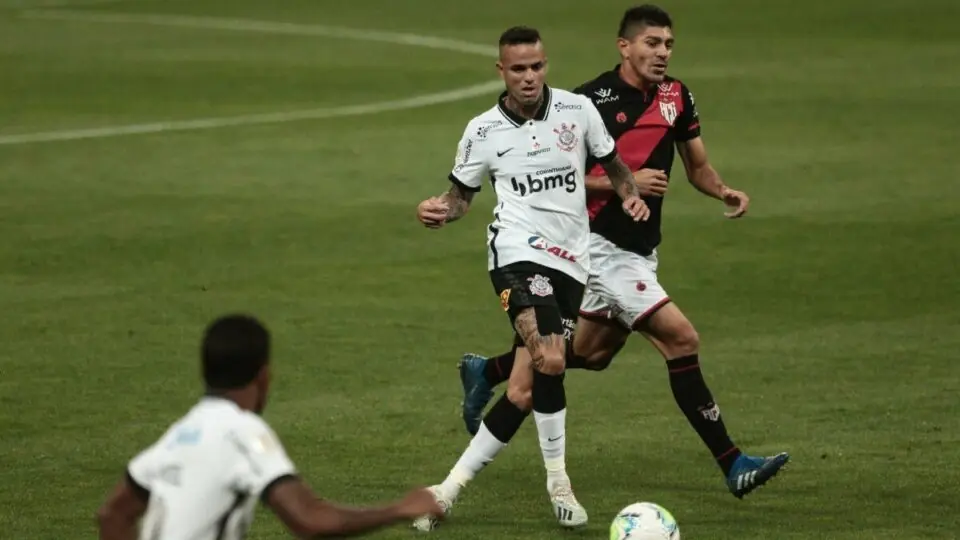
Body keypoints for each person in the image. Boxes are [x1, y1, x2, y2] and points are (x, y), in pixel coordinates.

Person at [455, 4, 789, 500]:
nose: (662, 53)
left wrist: (722, 191)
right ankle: (732, 461)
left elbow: (696, 166)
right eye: (652, 43)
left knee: (589, 354)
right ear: (625, 47)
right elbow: (566, 180)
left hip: (640, 248)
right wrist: (620, 188)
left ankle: (491, 370)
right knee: (681, 338)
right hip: (600, 247)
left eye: (669, 45)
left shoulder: (677, 95)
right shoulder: (590, 101)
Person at [414, 26, 647, 530]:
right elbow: (461, 197)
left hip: (571, 262)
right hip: (516, 253)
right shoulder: (482, 131)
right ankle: (558, 482)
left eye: (536, 66)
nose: (529, 77)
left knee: (522, 390)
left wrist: (629, 194)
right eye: (518, 69)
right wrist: (439, 210)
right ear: (501, 71)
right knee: (550, 354)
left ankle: (445, 491)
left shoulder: (577, 111)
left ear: (546, 65)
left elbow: (615, 164)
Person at [95, 314, 443, 540]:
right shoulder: (243, 432)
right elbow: (309, 519)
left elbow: (112, 515)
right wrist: (400, 508)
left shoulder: (179, 434)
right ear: (264, 376)